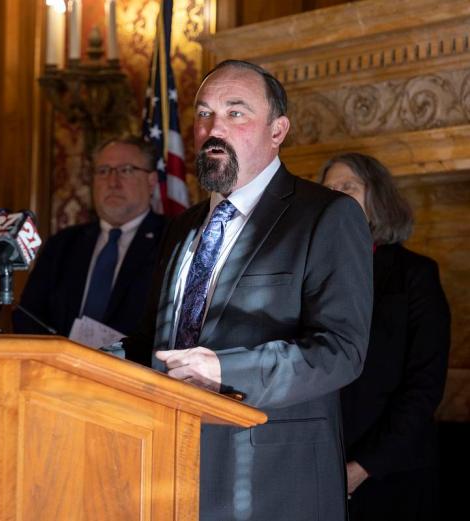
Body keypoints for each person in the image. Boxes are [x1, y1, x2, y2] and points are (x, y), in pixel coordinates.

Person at [120, 60, 373, 521]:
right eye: (204, 114)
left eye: (236, 113)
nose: (214, 128)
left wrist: (225, 369)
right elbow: (154, 344)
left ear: (278, 131)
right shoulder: (182, 228)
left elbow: (341, 351)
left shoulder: (326, 217)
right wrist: (97, 356)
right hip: (165, 469)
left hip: (272, 481)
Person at [319, 152, 450, 521]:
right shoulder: (311, 274)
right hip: (319, 465)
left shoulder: (416, 275)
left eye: (348, 186)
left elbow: (424, 386)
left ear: (377, 198)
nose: (335, 194)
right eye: (328, 189)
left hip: (392, 474)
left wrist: (362, 467)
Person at [13, 136, 167, 363]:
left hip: (137, 382)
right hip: (58, 379)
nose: (112, 182)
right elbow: (28, 317)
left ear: (152, 181)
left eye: (125, 170)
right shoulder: (63, 244)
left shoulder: (172, 239)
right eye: (103, 171)